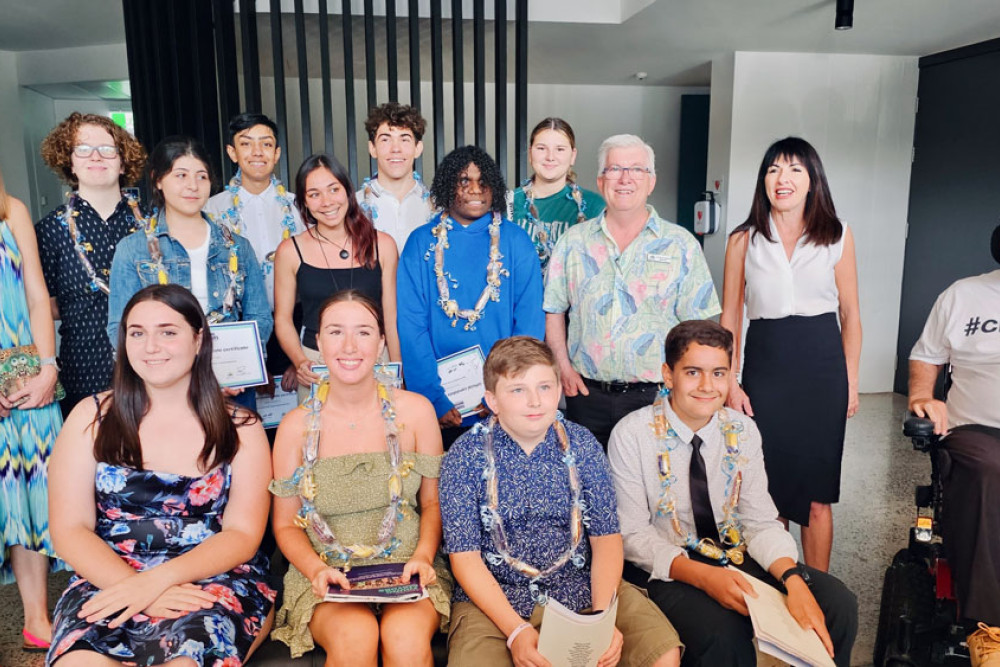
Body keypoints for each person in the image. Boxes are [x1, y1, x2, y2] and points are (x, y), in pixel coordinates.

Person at [47, 284, 276, 665]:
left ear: (198, 339)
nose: (150, 346)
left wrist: (157, 582)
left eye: (168, 332)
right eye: (137, 333)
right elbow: (70, 528)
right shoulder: (90, 417)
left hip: (210, 579)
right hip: (107, 576)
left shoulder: (241, 427)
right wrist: (138, 589)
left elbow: (243, 535)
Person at [608, 319, 858, 667]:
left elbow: (759, 520)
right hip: (666, 565)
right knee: (721, 634)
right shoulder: (632, 435)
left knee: (838, 603)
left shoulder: (742, 430)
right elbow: (632, 535)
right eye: (693, 372)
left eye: (719, 373)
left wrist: (792, 578)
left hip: (733, 552)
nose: (707, 386)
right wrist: (705, 577)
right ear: (668, 374)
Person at [440, 336, 683, 667]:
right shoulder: (464, 456)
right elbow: (464, 558)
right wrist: (515, 632)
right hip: (496, 598)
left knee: (662, 652)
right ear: (492, 400)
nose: (534, 401)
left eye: (544, 387)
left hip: (581, 584)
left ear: (558, 390)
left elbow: (606, 538)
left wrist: (602, 617)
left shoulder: (582, 445)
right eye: (517, 390)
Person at [269, 290, 450, 664]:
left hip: (408, 564)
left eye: (364, 332)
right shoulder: (295, 427)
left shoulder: (416, 413)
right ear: (318, 342)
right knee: (356, 637)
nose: (349, 345)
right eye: (336, 332)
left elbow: (431, 503)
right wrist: (317, 569)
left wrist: (422, 556)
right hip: (326, 569)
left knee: (405, 640)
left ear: (382, 341)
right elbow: (286, 526)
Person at [720, 136, 861, 572]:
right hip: (767, 369)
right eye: (774, 169)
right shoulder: (743, 240)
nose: (783, 178)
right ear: (764, 181)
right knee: (770, 490)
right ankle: (779, 587)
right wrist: (730, 380)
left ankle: (819, 590)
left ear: (812, 180)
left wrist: (851, 382)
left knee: (818, 495)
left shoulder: (836, 236)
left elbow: (851, 313)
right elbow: (730, 315)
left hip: (823, 372)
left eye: (795, 169)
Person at [544, 133, 720, 449]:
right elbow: (554, 309)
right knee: (589, 491)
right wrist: (563, 367)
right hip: (586, 396)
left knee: (656, 492)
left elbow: (702, 327)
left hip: (657, 398)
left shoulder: (681, 245)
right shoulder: (573, 242)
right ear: (600, 181)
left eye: (637, 169)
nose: (625, 178)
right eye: (615, 169)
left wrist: (690, 384)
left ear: (651, 181)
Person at [107, 136, 273, 409]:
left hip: (231, 386)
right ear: (158, 180)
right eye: (180, 175)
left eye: (201, 176)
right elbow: (120, 328)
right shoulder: (132, 250)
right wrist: (167, 375)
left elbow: (259, 317)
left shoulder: (237, 247)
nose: (192, 186)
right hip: (162, 388)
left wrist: (240, 367)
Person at [397, 145, 544, 448]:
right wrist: (432, 397)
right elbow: (412, 327)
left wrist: (503, 392)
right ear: (448, 185)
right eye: (464, 181)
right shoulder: (420, 242)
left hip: (503, 398)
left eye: (483, 181)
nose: (475, 190)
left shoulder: (516, 240)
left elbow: (528, 325)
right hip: (439, 403)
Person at [908, 224, 1000, 665]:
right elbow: (927, 355)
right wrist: (923, 398)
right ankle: (990, 629)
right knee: (989, 469)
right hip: (976, 429)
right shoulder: (963, 295)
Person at [35, 112, 146, 418]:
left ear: (122, 162)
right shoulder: (49, 230)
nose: (96, 156)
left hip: (151, 370)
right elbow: (43, 304)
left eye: (108, 149)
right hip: (85, 372)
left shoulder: (151, 224)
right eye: (83, 149)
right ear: (69, 162)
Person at [0, 167, 65, 652]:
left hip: (27, 379)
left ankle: (36, 617)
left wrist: (48, 368)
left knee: (34, 497)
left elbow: (39, 295)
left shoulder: (12, 210)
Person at [274, 154, 400, 402]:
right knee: (320, 438)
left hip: (374, 357)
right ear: (304, 202)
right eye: (314, 194)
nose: (327, 201)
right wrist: (300, 361)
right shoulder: (290, 251)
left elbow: (391, 317)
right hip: (317, 362)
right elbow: (283, 319)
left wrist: (396, 371)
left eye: (334, 189)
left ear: (348, 192)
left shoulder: (382, 244)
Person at [204, 112, 305, 393]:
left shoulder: (299, 207)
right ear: (232, 152)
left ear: (277, 154)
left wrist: (298, 359)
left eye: (266, 144)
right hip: (235, 328)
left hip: (295, 322)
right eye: (246, 144)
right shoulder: (212, 210)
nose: (257, 152)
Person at [511, 117, 604, 273]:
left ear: (573, 156)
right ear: (530, 153)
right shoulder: (507, 202)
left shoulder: (594, 206)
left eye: (560, 149)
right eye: (541, 148)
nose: (550, 157)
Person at [357, 102, 433, 252]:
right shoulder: (352, 206)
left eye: (404, 139)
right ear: (372, 148)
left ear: (418, 148)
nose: (396, 149)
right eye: (385, 139)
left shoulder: (438, 207)